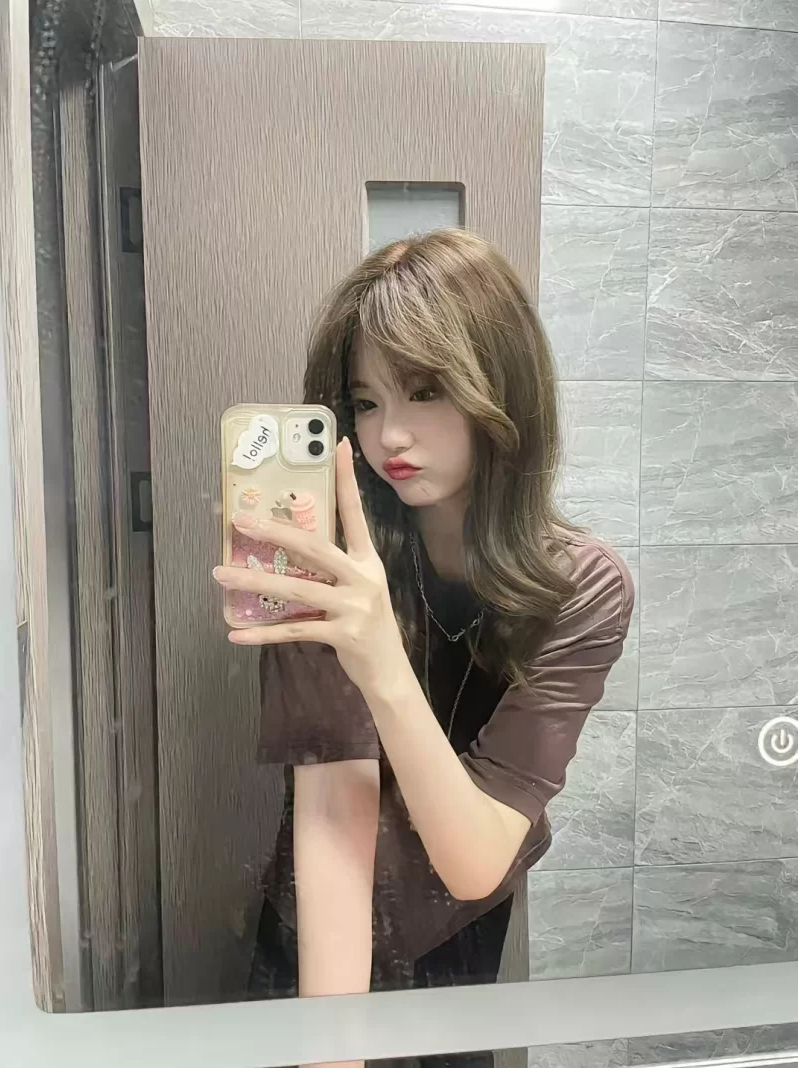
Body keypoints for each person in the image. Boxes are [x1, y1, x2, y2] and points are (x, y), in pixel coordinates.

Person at [213, 230, 634, 1056]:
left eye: (426, 390)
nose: (389, 437)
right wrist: (334, 1050)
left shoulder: (581, 588)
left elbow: (475, 860)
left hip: (455, 932)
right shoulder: (327, 556)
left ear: (501, 386)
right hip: (318, 937)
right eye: (366, 403)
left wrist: (382, 663)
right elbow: (333, 808)